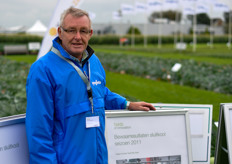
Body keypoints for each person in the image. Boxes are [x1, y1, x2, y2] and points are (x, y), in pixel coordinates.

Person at [26, 7, 155, 164]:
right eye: (71, 30)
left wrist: (127, 104)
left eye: (83, 31)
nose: (78, 37)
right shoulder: (43, 70)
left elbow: (100, 93)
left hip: (98, 158)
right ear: (60, 32)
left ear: (90, 34)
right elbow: (38, 131)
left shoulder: (93, 62)